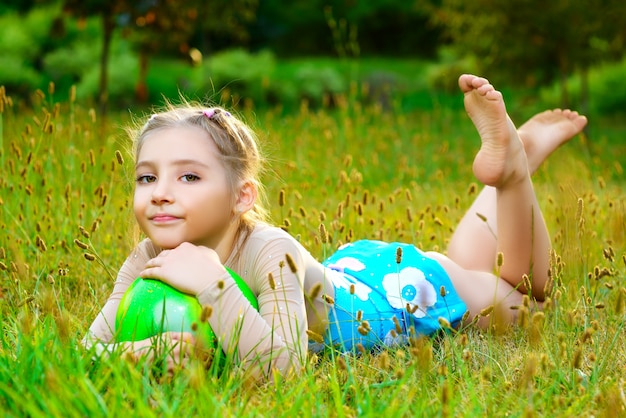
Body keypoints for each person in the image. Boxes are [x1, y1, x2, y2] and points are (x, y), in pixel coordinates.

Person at [83, 74, 588, 380]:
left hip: (400, 294)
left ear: (242, 197)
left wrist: (212, 283)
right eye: (147, 177)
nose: (160, 192)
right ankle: (512, 162)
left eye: (188, 176)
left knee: (526, 294)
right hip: (352, 271)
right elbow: (88, 347)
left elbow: (281, 369)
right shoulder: (147, 257)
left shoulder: (267, 249)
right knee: (469, 261)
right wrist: (140, 352)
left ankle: (516, 166)